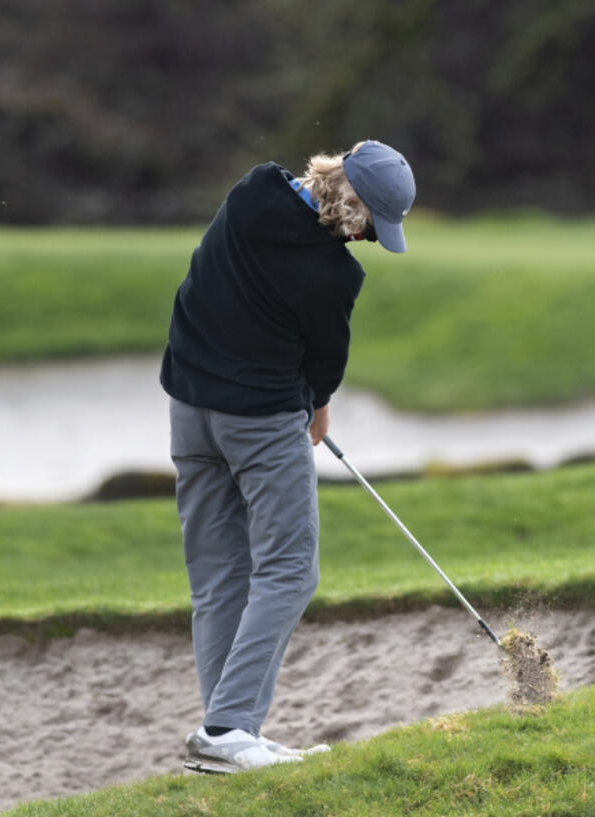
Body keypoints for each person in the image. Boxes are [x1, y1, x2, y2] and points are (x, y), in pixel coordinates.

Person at [159, 140, 415, 774]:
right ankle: (229, 725)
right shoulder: (334, 274)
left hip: (189, 413)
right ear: (350, 201)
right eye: (370, 226)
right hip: (262, 423)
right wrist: (317, 410)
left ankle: (226, 733)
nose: (367, 240)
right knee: (289, 570)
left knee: (220, 574)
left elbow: (198, 287)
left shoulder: (251, 193)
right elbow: (323, 362)